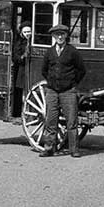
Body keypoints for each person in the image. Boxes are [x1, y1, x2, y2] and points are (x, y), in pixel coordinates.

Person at [39, 23, 86, 158]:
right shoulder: (49, 52)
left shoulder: (73, 52)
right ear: (53, 36)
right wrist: (51, 82)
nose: (60, 37)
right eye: (57, 34)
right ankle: (49, 148)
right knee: (50, 121)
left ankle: (74, 150)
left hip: (68, 92)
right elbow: (44, 70)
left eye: (62, 34)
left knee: (71, 122)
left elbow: (81, 70)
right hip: (52, 91)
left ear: (66, 36)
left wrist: (72, 83)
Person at [10, 23, 32, 118]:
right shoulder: (18, 42)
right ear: (22, 32)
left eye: (29, 32)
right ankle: (18, 112)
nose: (28, 34)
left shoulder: (34, 41)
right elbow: (15, 56)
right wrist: (22, 58)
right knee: (20, 90)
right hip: (21, 69)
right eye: (26, 32)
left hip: (31, 68)